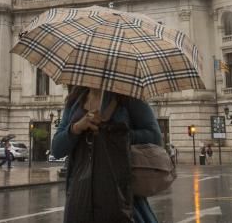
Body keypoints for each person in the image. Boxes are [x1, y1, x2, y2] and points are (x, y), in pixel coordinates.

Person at [51, 85, 161, 223]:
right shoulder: (75, 100)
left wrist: (115, 133)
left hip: (120, 194)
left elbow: (155, 137)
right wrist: (76, 127)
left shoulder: (128, 97)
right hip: (80, 193)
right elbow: (56, 149)